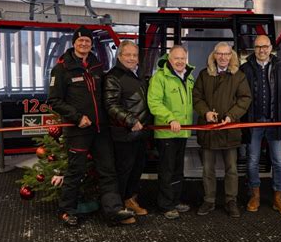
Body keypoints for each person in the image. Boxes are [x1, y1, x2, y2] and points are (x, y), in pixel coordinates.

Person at [48, 26, 134, 226]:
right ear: (74, 43)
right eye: (80, 41)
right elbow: (54, 101)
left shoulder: (96, 65)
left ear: (91, 43)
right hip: (78, 130)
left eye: (87, 41)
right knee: (75, 171)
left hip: (100, 129)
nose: (84, 44)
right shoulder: (62, 68)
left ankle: (113, 210)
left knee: (107, 169)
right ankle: (67, 211)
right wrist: (77, 117)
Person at [193, 42, 252, 218]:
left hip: (230, 129)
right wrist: (206, 113)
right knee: (207, 169)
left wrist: (231, 116)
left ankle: (230, 200)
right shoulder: (204, 75)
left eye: (227, 54)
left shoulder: (238, 76)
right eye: (220, 54)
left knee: (231, 169)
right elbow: (196, 96)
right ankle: (209, 200)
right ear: (214, 55)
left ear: (231, 56)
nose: (223, 57)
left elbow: (245, 98)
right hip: (209, 129)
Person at [240, 35, 281, 216]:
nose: (261, 50)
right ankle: (254, 195)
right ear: (253, 49)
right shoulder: (245, 69)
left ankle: (279, 198)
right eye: (257, 47)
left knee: (278, 161)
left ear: (271, 48)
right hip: (253, 122)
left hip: (275, 121)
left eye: (265, 46)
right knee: (252, 161)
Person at [103, 40, 152, 222]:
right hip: (123, 134)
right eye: (128, 55)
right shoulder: (113, 77)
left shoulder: (138, 75)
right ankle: (118, 209)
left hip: (140, 134)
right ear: (120, 56)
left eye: (134, 55)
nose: (132, 58)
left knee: (136, 169)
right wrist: (130, 120)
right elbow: (110, 105)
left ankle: (130, 199)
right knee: (123, 172)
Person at [147, 45, 195, 219]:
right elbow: (154, 102)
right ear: (169, 60)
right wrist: (170, 119)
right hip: (167, 132)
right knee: (167, 170)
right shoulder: (160, 78)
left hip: (182, 132)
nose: (180, 61)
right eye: (177, 58)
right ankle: (165, 205)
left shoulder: (188, 77)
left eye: (183, 58)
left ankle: (175, 200)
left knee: (177, 170)